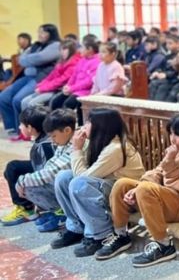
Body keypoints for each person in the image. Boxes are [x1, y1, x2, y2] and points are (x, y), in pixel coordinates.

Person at [97, 113, 179, 267]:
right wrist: (138, 187)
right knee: (122, 184)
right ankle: (121, 235)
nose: (172, 139)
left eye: (177, 134)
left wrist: (168, 164)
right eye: (171, 133)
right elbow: (157, 172)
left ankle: (164, 245)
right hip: (170, 199)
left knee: (146, 189)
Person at [51, 108, 145, 257]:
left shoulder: (115, 148)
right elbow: (81, 173)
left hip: (128, 197)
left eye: (88, 122)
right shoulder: (98, 142)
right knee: (63, 177)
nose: (83, 126)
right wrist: (79, 147)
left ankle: (103, 235)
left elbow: (82, 179)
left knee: (79, 184)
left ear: (101, 126)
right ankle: (77, 227)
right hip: (109, 187)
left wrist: (76, 149)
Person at [12, 109, 76, 232]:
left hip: (72, 189)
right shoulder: (63, 143)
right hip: (62, 186)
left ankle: (67, 214)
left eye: (54, 136)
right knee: (24, 178)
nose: (52, 140)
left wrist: (22, 181)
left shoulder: (74, 144)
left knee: (29, 183)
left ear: (67, 130)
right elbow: (50, 166)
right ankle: (60, 212)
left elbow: (50, 173)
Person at [0, 24, 61, 136]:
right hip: (26, 77)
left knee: (18, 100)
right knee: (3, 97)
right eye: (39, 32)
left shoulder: (55, 45)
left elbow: (41, 58)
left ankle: (24, 131)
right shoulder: (36, 45)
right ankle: (12, 127)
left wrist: (27, 59)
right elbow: (20, 59)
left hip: (41, 78)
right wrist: (29, 59)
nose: (40, 35)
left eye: (43, 32)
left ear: (50, 33)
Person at [1, 106, 53, 225]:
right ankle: (30, 206)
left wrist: (24, 182)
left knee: (13, 168)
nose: (19, 127)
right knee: (11, 170)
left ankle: (27, 210)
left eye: (21, 124)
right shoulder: (42, 138)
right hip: (44, 173)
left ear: (30, 128)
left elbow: (47, 173)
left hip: (51, 182)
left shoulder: (46, 145)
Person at [19, 39, 79, 115]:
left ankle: (37, 125)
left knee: (32, 104)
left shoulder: (74, 63)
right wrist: (41, 85)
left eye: (65, 49)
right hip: (51, 88)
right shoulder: (61, 61)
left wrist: (43, 88)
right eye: (60, 49)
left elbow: (61, 81)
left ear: (71, 50)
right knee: (24, 102)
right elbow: (51, 76)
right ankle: (27, 124)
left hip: (59, 90)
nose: (62, 52)